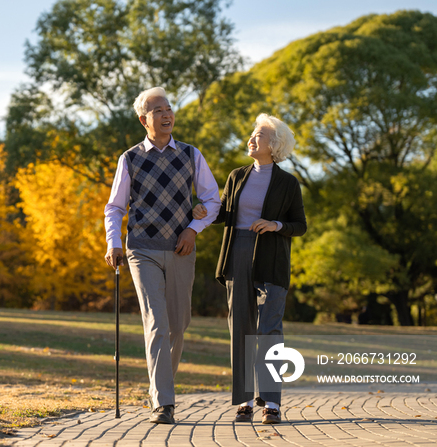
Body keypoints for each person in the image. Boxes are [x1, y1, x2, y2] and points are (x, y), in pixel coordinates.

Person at [104, 87, 220, 424]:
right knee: (156, 321)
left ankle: (160, 388)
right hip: (142, 249)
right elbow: (114, 208)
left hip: (181, 247)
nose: (167, 114)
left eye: (169, 108)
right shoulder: (130, 159)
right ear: (144, 120)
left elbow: (213, 201)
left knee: (178, 324)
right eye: (158, 110)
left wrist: (193, 230)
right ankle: (163, 401)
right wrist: (113, 243)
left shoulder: (190, 155)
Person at [193, 113, 306, 424]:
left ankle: (271, 401)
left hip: (272, 258)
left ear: (275, 145)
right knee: (240, 328)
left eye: (259, 135)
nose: (252, 139)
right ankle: (244, 400)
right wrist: (203, 211)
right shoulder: (237, 176)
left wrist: (275, 224)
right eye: (253, 134)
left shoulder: (288, 183)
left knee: (269, 329)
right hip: (237, 254)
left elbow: (300, 225)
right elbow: (223, 213)